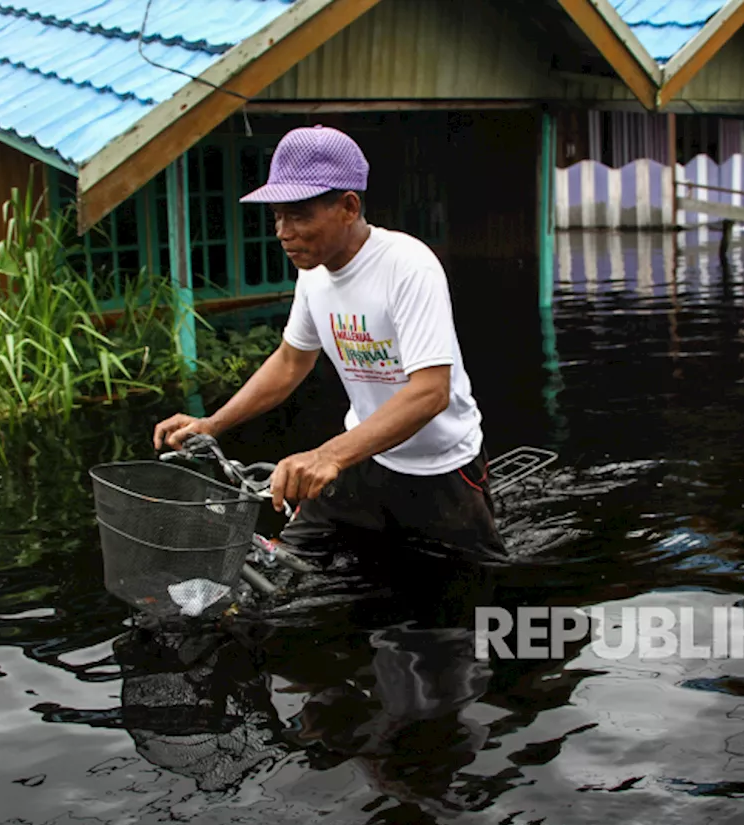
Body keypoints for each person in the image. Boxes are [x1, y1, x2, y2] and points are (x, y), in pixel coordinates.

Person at [153, 125, 505, 566]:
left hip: (440, 470)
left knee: (468, 595)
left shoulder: (409, 266)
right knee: (282, 570)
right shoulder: (313, 274)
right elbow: (290, 361)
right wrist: (212, 424)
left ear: (348, 207)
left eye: (299, 215)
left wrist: (327, 455)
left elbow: (430, 392)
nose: (283, 232)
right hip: (362, 457)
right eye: (278, 216)